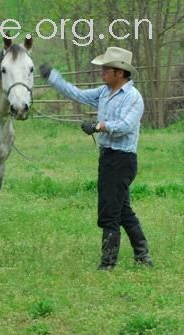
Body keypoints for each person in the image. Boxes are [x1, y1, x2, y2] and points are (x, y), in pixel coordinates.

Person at [40, 47, 154, 270]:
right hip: (108, 158)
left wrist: (99, 126)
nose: (102, 72)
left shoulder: (133, 97)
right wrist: (53, 77)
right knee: (122, 210)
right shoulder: (104, 92)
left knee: (109, 212)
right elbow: (78, 94)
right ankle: (143, 256)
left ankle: (108, 263)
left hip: (122, 160)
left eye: (106, 69)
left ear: (120, 73)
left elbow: (125, 126)